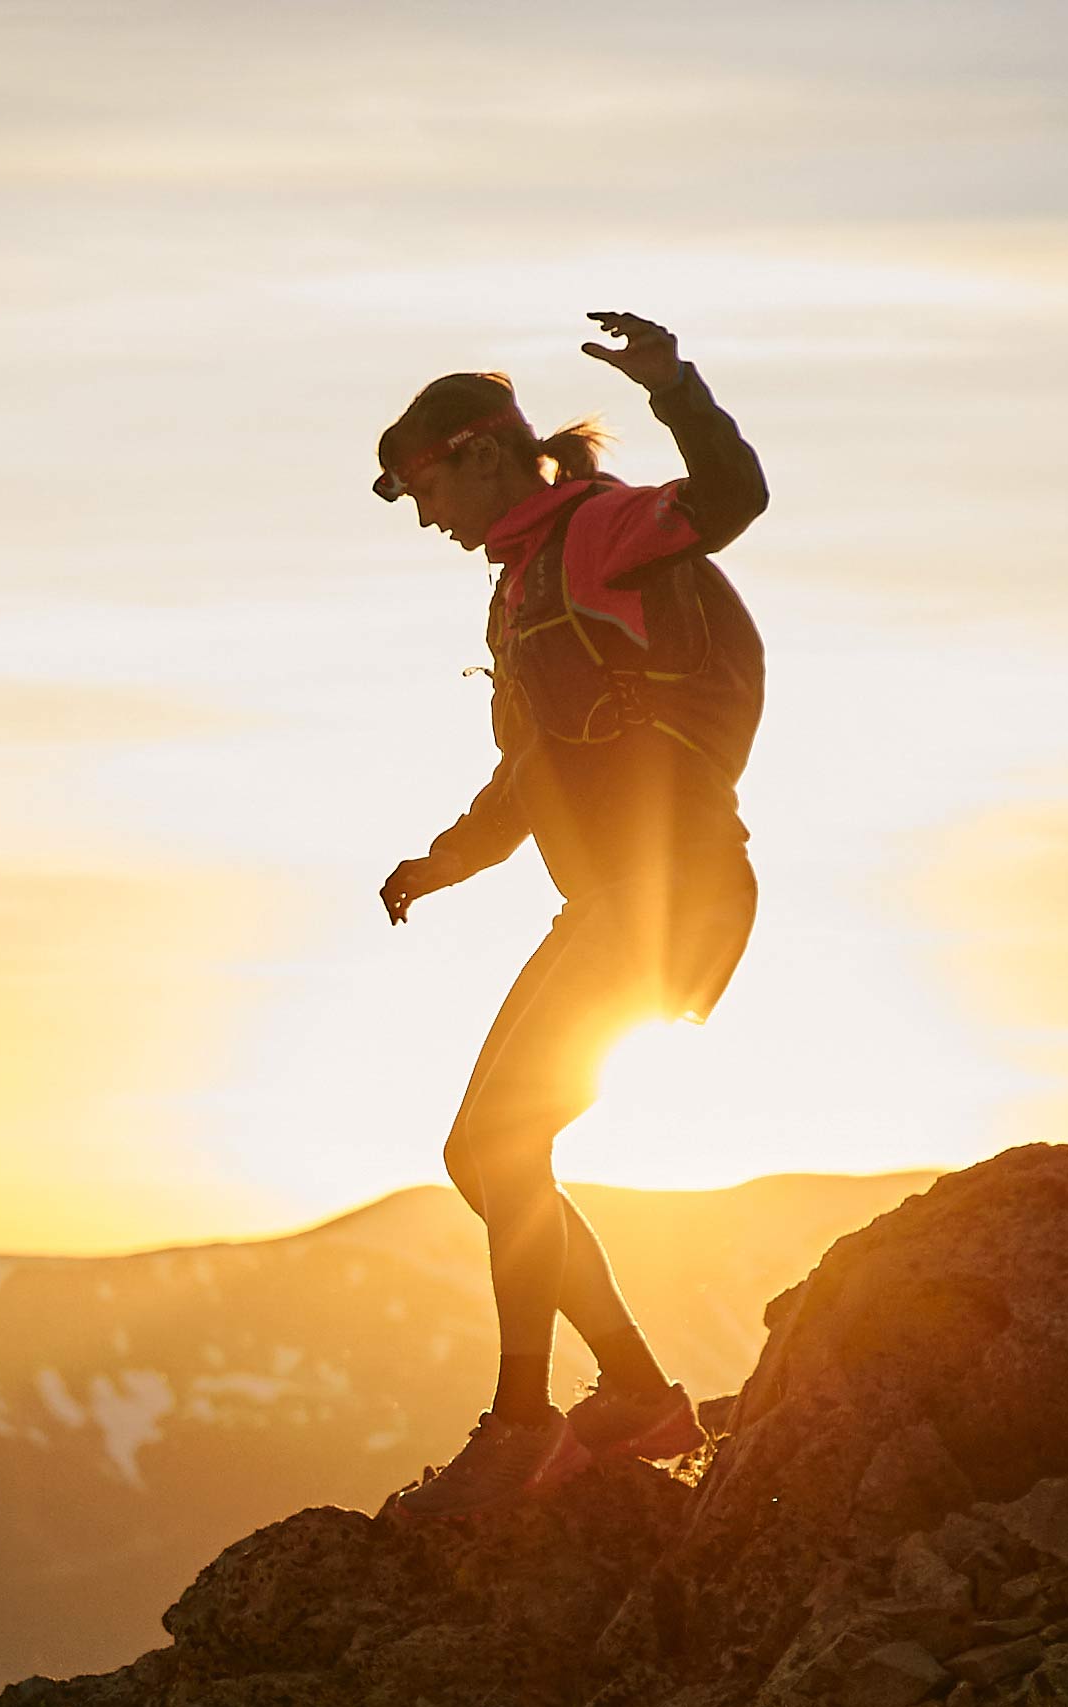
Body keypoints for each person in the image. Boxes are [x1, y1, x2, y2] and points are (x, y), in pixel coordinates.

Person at [369, 308, 769, 1513]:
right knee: (479, 1153)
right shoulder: (527, 590)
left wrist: (674, 387)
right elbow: (529, 771)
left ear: (483, 453)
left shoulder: (594, 533)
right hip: (624, 896)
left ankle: (523, 1422)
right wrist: (438, 866)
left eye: (422, 483)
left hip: (668, 888)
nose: (425, 515)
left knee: (497, 1145)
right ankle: (636, 1393)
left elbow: (732, 497)